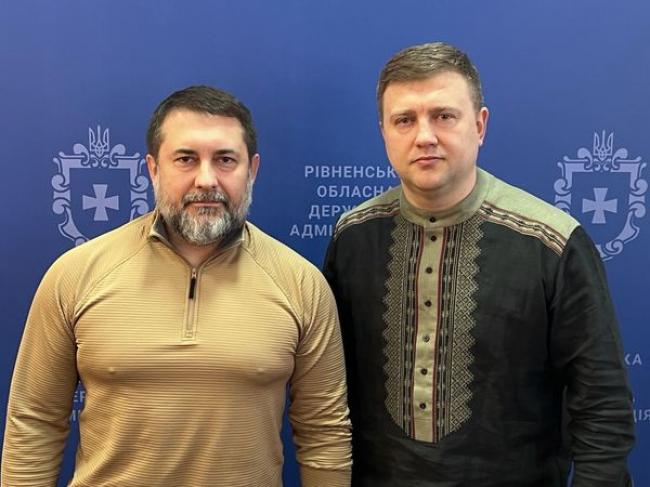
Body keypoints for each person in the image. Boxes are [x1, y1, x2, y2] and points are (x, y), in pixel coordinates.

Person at [2, 85, 351, 487]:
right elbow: (35, 420)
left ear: (252, 170)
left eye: (225, 160)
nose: (206, 179)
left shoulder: (301, 284)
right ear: (153, 169)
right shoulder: (75, 274)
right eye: (186, 159)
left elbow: (324, 433)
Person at [323, 42, 634, 486]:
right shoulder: (354, 235)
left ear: (480, 125)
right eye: (404, 120)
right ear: (384, 132)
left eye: (443, 116)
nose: (424, 136)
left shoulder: (550, 242)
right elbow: (329, 392)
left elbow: (602, 403)